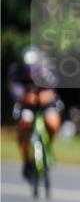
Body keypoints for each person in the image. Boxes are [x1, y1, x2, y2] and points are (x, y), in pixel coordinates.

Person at [8, 46, 62, 180]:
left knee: (53, 123)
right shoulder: (16, 70)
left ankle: (47, 147)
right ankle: (26, 161)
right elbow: (14, 87)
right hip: (27, 103)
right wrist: (25, 97)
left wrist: (47, 94)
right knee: (24, 124)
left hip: (46, 102)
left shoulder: (47, 67)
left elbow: (54, 84)